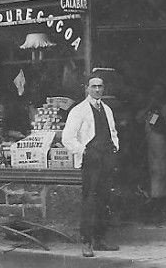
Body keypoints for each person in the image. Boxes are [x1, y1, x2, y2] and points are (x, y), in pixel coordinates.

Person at [62, 75, 121, 257]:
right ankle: (86, 242)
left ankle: (100, 239)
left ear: (104, 88)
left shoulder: (107, 109)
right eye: (93, 86)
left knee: (104, 199)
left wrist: (115, 146)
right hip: (91, 160)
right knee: (90, 200)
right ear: (87, 88)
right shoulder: (79, 110)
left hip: (106, 158)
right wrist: (82, 151)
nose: (97, 89)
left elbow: (113, 132)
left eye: (100, 86)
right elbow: (67, 138)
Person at [137, 84, 166, 220]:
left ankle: (159, 204)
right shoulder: (150, 110)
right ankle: (154, 202)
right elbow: (138, 118)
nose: (155, 97)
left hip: (161, 143)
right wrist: (149, 107)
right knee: (154, 172)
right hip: (150, 146)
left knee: (161, 173)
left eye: (157, 94)